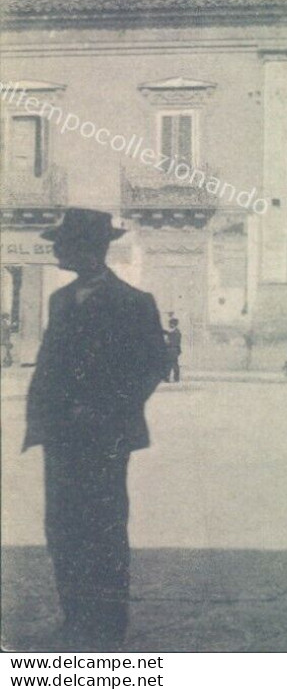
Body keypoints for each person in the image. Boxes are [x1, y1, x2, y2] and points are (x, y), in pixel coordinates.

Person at [23, 209, 167, 649]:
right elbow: (49, 365)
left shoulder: (133, 302)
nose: (56, 250)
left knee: (103, 525)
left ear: (89, 248)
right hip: (62, 435)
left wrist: (107, 411)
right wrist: (42, 420)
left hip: (105, 436)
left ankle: (107, 623)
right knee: (62, 524)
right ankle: (75, 616)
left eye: (63, 243)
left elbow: (153, 366)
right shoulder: (60, 300)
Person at [163, 317, 183, 383]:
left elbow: (172, 342)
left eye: (170, 324)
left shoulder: (175, 333)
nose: (169, 325)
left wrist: (166, 342)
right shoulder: (175, 332)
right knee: (173, 364)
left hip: (172, 350)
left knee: (170, 364)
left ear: (173, 324)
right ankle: (174, 378)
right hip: (173, 350)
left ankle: (168, 378)